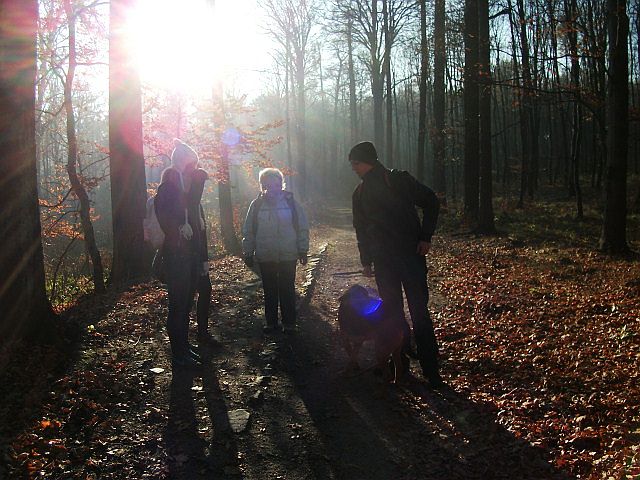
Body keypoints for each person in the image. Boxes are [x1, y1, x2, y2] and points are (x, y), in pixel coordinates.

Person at [349, 141, 443, 387]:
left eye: (355, 163)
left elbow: (431, 201)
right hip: (384, 263)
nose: (353, 168)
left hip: (411, 257)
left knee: (419, 312)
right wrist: (366, 260)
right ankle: (401, 363)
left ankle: (431, 369)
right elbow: (361, 229)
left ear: (368, 160)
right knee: (392, 313)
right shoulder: (359, 194)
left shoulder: (398, 179)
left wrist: (425, 237)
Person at [155, 139, 210, 368]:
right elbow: (164, 216)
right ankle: (178, 353)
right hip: (176, 255)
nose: (195, 170)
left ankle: (184, 346)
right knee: (177, 305)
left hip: (191, 255)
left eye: (195, 165)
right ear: (180, 164)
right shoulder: (167, 188)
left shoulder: (189, 191)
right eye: (191, 165)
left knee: (186, 303)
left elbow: (196, 215)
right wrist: (179, 226)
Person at [242, 168, 309, 334]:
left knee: (287, 289)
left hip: (288, 254)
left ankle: (290, 323)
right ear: (262, 186)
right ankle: (271, 323)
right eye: (267, 185)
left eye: (276, 184)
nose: (272, 188)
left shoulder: (291, 202)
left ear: (281, 184)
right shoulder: (256, 205)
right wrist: (248, 252)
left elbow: (302, 227)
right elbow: (248, 230)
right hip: (266, 256)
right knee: (270, 291)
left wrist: (302, 249)